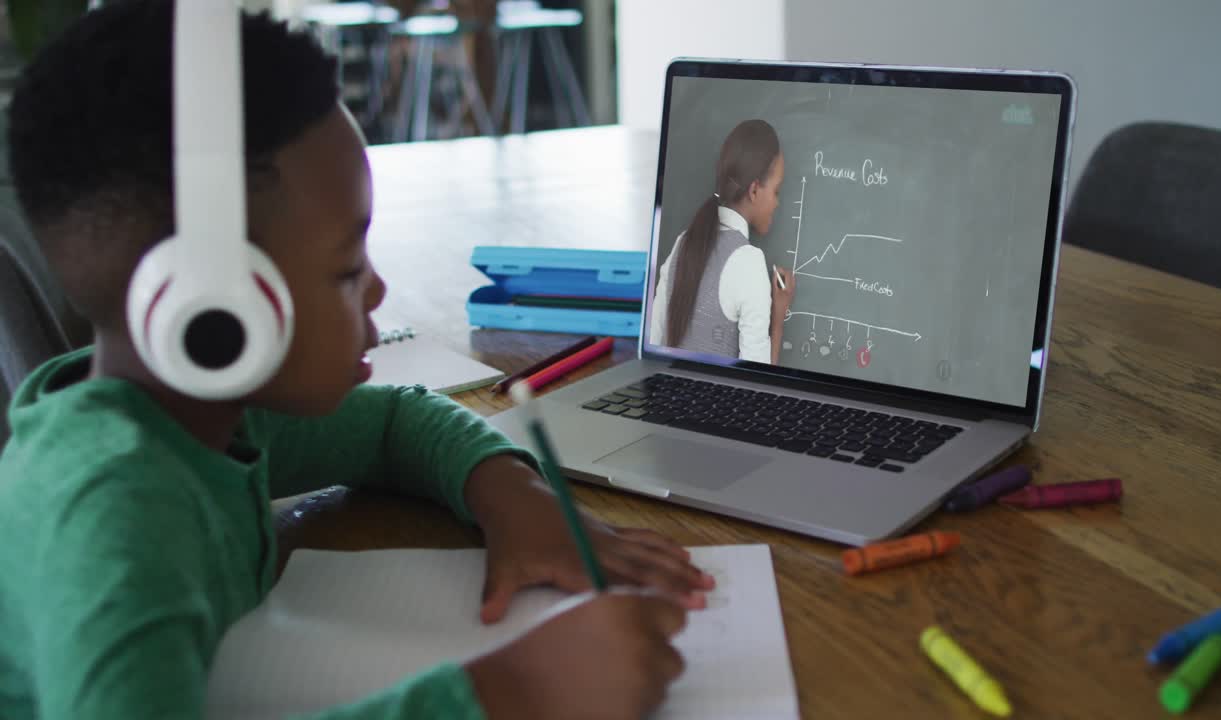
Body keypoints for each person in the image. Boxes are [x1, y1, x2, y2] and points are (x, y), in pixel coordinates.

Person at [0, 3, 712, 719]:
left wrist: (515, 500)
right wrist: (509, 694)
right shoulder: (114, 523)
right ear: (213, 312)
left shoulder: (202, 417)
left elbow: (391, 422)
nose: (376, 287)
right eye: (346, 270)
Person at [650, 119, 796, 364]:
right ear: (754, 190)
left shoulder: (683, 242)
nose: (777, 203)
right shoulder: (748, 261)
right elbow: (756, 382)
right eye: (776, 191)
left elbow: (654, 341)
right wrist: (779, 316)